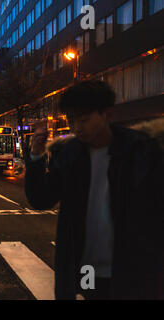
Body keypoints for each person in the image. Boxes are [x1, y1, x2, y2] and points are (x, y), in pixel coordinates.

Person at [25, 80, 164, 300]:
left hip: (131, 268)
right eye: (72, 121)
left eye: (84, 119)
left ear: (107, 114)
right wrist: (35, 156)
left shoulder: (141, 150)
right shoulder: (70, 155)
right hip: (88, 269)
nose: (77, 128)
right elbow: (41, 199)